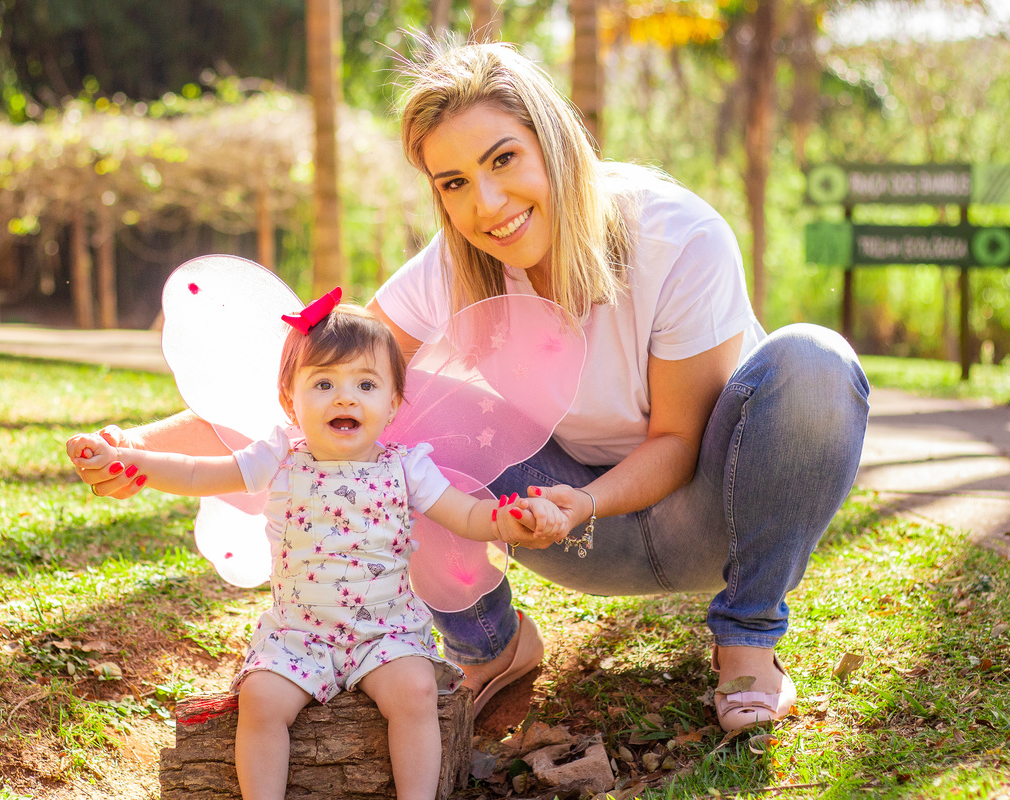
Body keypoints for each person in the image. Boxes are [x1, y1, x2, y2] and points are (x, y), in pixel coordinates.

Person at [75, 39, 870, 733]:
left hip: (718, 510)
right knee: (389, 405)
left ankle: (748, 638)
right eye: (453, 183)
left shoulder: (679, 236)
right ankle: (491, 646)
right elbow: (313, 400)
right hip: (567, 529)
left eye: (503, 161)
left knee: (815, 362)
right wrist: (138, 450)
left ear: (552, 142)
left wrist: (589, 500)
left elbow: (676, 443)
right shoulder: (452, 269)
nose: (486, 205)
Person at [67, 299, 566, 800]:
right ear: (290, 399)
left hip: (384, 631)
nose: (344, 398)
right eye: (323, 383)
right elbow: (200, 472)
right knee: (261, 699)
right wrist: (128, 459)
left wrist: (507, 519)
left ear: (394, 402)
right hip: (298, 635)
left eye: (366, 385)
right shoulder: (278, 456)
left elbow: (467, 515)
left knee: (414, 692)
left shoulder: (407, 467)